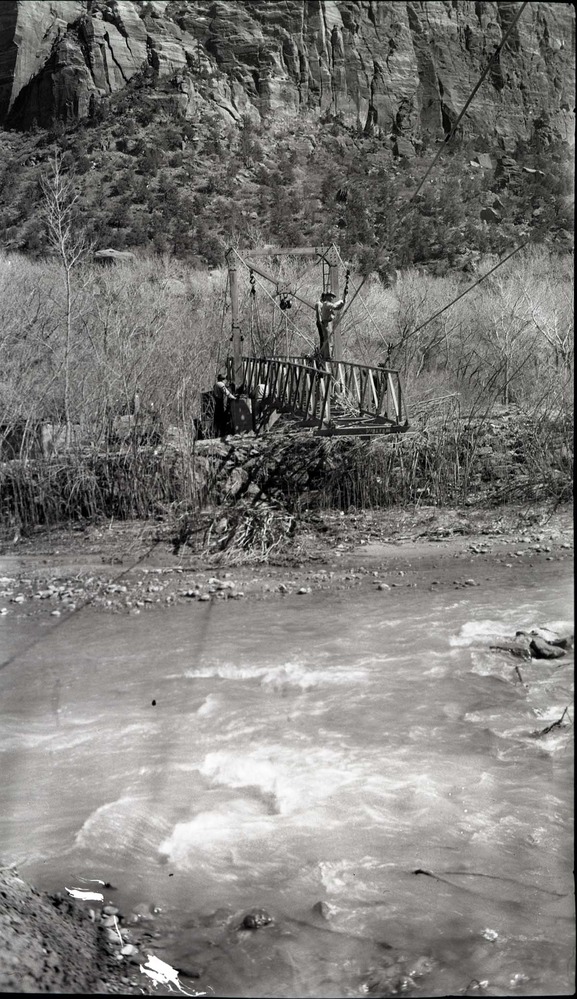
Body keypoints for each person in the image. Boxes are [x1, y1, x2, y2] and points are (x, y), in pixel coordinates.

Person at [314, 290, 347, 365]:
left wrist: (343, 299)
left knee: (328, 339)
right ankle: (327, 356)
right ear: (327, 297)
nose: (332, 298)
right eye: (331, 296)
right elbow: (335, 306)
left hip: (328, 322)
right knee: (327, 339)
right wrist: (341, 301)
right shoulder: (326, 303)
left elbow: (337, 307)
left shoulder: (327, 304)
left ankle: (326, 354)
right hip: (325, 323)